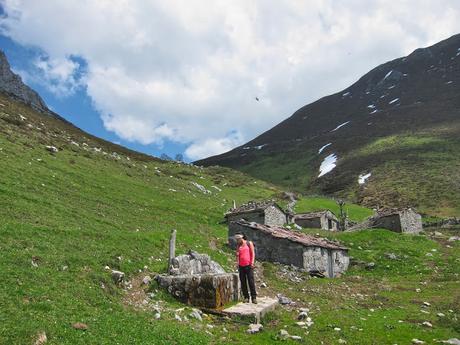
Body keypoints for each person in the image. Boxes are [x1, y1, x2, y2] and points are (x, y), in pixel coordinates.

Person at [235, 234, 257, 304]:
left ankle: (254, 297)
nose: (237, 241)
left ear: (242, 238)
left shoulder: (249, 243)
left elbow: (253, 253)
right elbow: (237, 255)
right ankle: (246, 297)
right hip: (241, 266)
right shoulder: (238, 246)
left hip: (249, 265)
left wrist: (252, 262)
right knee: (243, 282)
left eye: (238, 239)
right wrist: (237, 263)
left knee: (251, 281)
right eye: (237, 240)